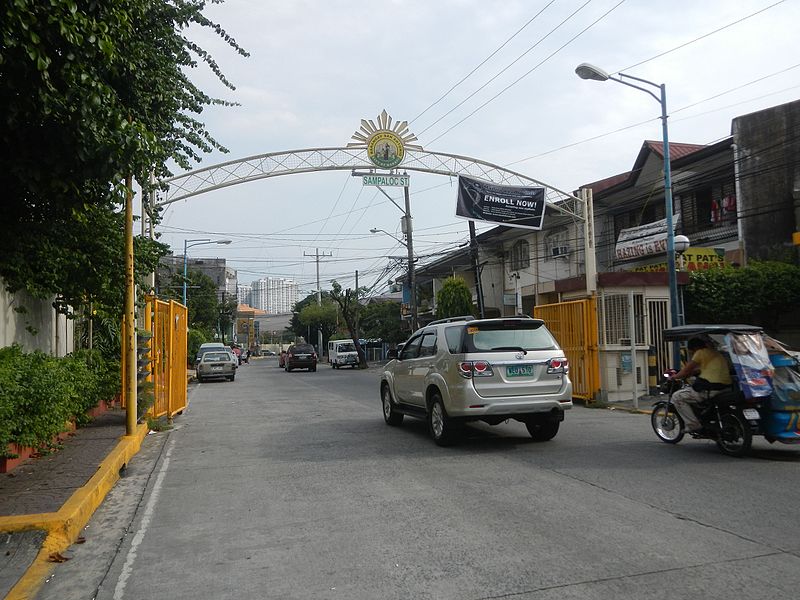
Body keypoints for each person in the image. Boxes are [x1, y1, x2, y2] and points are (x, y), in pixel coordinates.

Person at [670, 337, 732, 433]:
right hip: (725, 388)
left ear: (694, 348)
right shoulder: (716, 353)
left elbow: (686, 370)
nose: (691, 353)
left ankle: (693, 425)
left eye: (690, 351)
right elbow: (702, 369)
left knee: (677, 396)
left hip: (710, 389)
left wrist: (674, 377)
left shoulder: (700, 353)